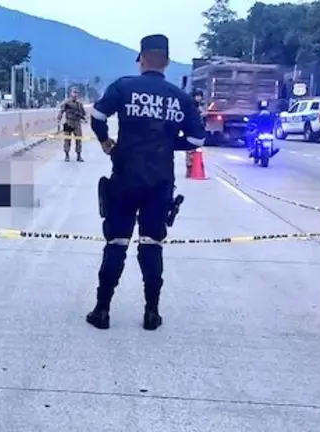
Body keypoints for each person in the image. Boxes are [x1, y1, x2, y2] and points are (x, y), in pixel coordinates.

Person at [87, 34, 206, 331]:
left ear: (141, 59)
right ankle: (151, 313)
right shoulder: (180, 98)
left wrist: (106, 142)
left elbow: (98, 116)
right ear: (166, 61)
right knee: (152, 244)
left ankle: (102, 311)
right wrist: (168, 144)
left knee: (116, 242)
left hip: (125, 177)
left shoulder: (124, 87)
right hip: (160, 182)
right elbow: (196, 139)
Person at [57, 87, 87, 162]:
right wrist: (59, 119)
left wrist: (80, 114)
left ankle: (79, 155)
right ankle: (67, 155)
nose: (75, 94)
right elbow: (61, 111)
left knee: (78, 139)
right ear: (71, 93)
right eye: (74, 92)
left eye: (77, 93)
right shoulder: (66, 103)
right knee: (67, 139)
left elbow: (84, 113)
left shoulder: (79, 104)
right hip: (68, 122)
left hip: (77, 123)